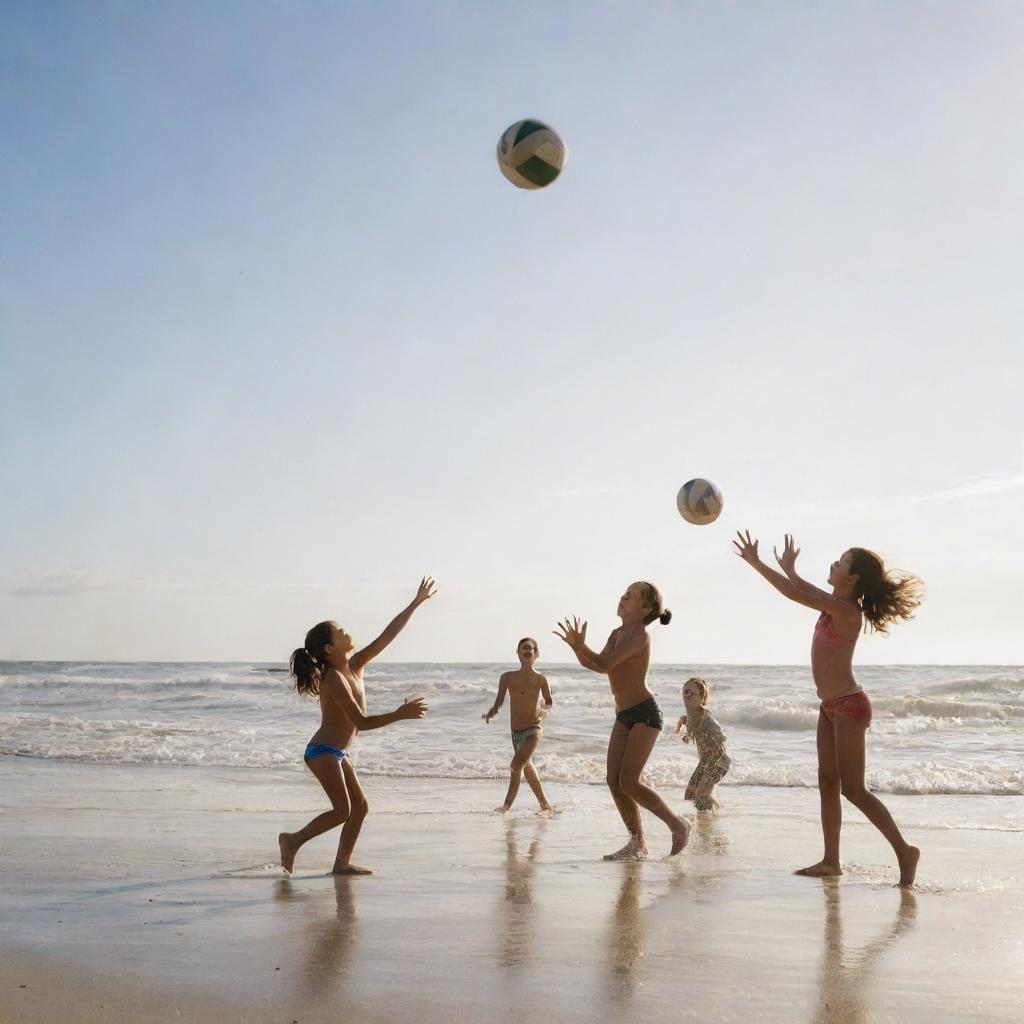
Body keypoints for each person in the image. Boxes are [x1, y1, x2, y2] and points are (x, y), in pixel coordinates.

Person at [734, 532, 923, 886]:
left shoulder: (846, 611)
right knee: (827, 783)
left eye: (841, 562)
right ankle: (831, 861)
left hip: (850, 707)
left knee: (854, 789)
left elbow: (796, 594)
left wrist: (759, 564)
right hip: (830, 707)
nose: (834, 564)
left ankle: (904, 850)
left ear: (851, 579)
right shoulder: (833, 604)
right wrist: (790, 569)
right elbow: (805, 591)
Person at [277, 577, 436, 875]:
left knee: (359, 807)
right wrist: (400, 713)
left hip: (337, 752)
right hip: (322, 751)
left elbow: (387, 636)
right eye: (340, 632)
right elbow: (361, 722)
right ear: (328, 648)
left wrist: (415, 604)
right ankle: (292, 841)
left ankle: (342, 863)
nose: (347, 632)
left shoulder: (354, 665)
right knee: (343, 810)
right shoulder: (334, 680)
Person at [555, 581, 691, 860]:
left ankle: (678, 824)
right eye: (624, 594)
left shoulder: (640, 637)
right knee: (613, 780)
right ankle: (637, 842)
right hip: (623, 715)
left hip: (645, 713)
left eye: (631, 596)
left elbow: (605, 664)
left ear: (645, 609)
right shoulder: (617, 633)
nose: (623, 598)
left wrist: (583, 646)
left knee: (629, 781)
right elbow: (597, 665)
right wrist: (576, 648)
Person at [483, 637, 554, 813]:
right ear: (518, 652)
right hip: (516, 733)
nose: (528, 650)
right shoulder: (507, 678)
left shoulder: (541, 679)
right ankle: (545, 806)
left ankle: (505, 807)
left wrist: (543, 712)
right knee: (527, 768)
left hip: (533, 729)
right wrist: (492, 712)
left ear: (536, 654)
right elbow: (499, 702)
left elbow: (548, 702)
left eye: (532, 648)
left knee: (516, 766)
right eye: (524, 648)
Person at [675, 676, 730, 811]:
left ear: (701, 698)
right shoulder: (692, 714)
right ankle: (718, 810)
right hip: (707, 760)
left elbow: (719, 748)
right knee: (691, 794)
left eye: (691, 693)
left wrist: (705, 768)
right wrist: (684, 733)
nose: (687, 694)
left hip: (718, 763)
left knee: (699, 796)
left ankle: (708, 823)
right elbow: (686, 720)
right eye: (685, 691)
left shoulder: (706, 719)